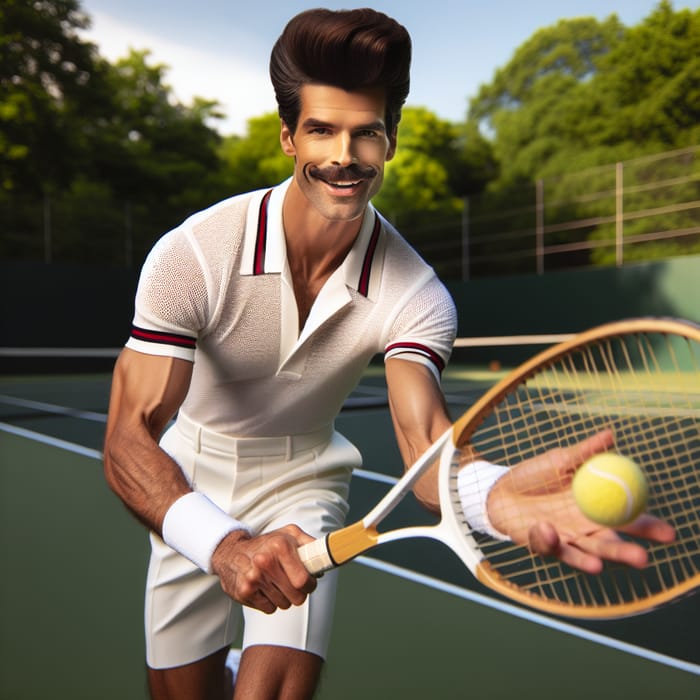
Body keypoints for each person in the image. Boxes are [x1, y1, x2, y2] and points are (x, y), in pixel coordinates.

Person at [103, 8, 675, 700]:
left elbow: (425, 445)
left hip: (303, 479)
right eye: (321, 129)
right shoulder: (193, 255)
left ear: (390, 141)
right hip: (188, 472)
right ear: (288, 136)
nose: (344, 155)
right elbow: (128, 439)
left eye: (365, 133)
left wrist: (493, 497)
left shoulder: (417, 294)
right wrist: (221, 544)